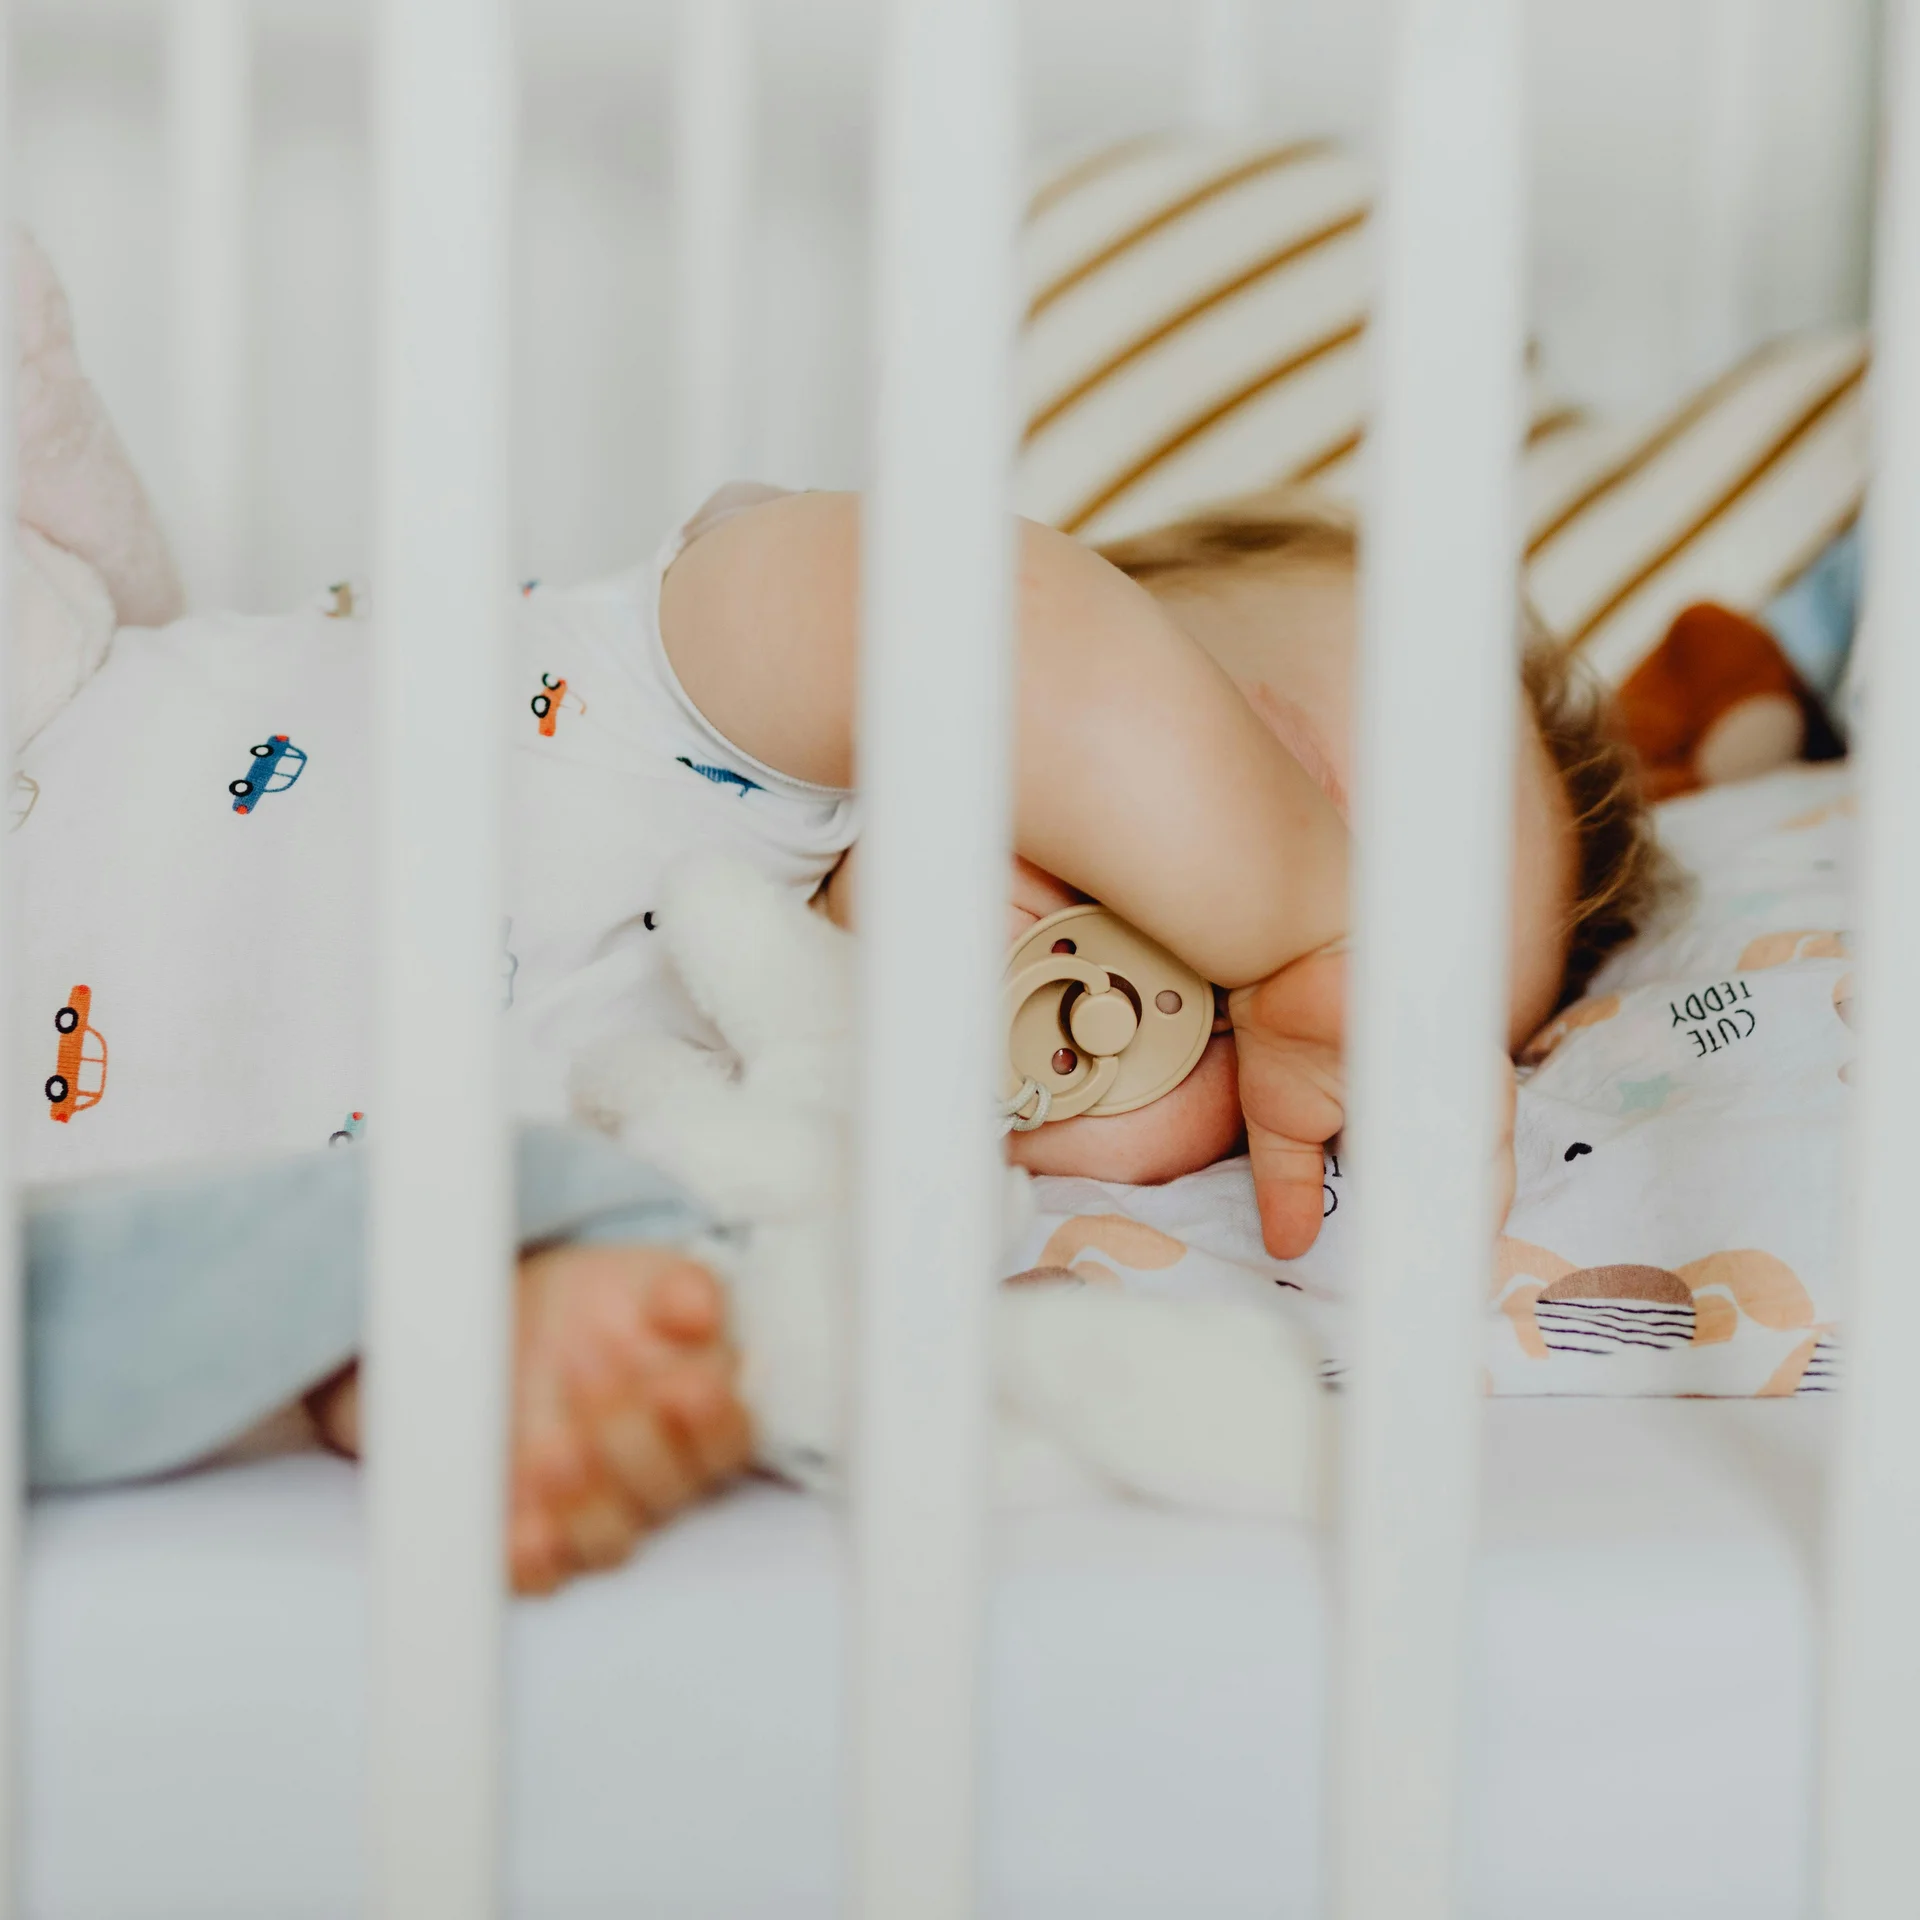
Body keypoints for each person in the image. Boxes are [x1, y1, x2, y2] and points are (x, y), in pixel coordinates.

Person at [18, 480, 1663, 1592]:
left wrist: (513, 1354)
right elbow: (957, 610)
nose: (1197, 956)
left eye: (1285, 1054)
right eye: (1256, 789)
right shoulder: (728, 712)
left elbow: (260, 1284)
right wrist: (1312, 916)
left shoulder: (826, 1185)